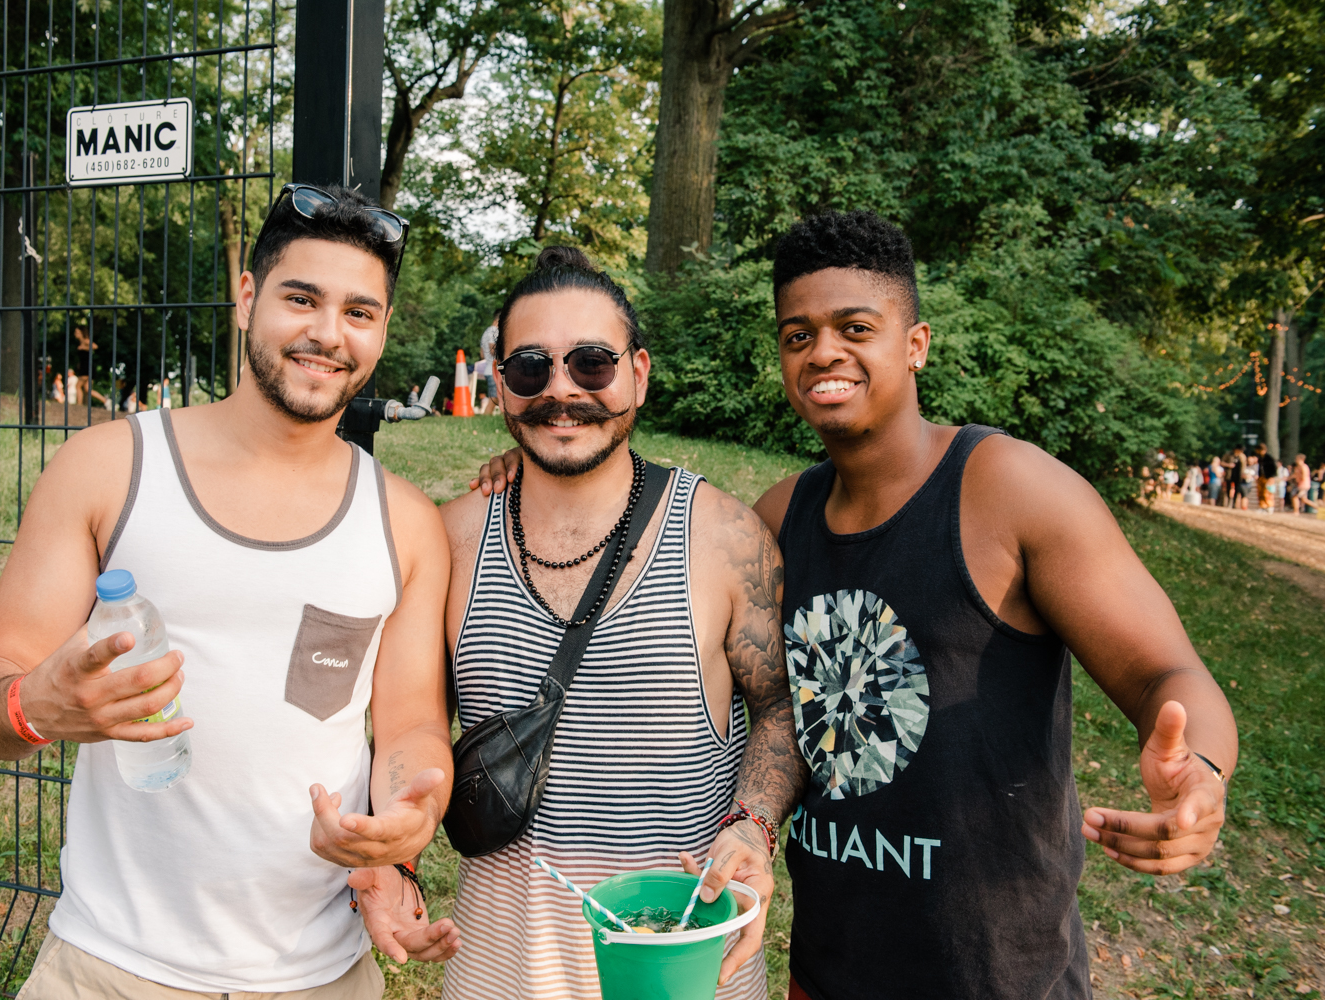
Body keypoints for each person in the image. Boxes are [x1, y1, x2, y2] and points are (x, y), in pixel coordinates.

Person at [472, 212, 1237, 1000]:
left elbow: (1162, 673)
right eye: (797, 335)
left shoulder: (1010, 491)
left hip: (997, 975)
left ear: (916, 344)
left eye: (855, 327)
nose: (823, 352)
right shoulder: (776, 521)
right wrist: (532, 458)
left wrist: (1201, 771)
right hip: (829, 969)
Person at [0, 183, 457, 1000]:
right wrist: (35, 707)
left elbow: (409, 728)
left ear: (382, 332)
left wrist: (403, 823)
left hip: (323, 975)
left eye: (360, 312)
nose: (328, 334)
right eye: (302, 298)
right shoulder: (108, 467)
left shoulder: (404, 522)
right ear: (249, 299)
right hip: (109, 965)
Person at [438, 247, 805, 1000]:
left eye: (592, 364)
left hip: (688, 974)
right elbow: (402, 731)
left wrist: (754, 824)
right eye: (531, 368)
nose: (562, 391)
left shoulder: (724, 538)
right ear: (500, 381)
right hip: (496, 975)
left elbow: (780, 706)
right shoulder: (445, 539)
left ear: (639, 372)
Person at [1256, 442, 1279, 512]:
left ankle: (1270, 507)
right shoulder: (1260, 458)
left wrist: (1271, 477)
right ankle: (1262, 507)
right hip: (1262, 477)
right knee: (1261, 492)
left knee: (1267, 493)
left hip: (1269, 478)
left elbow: (1274, 469)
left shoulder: (1269, 458)